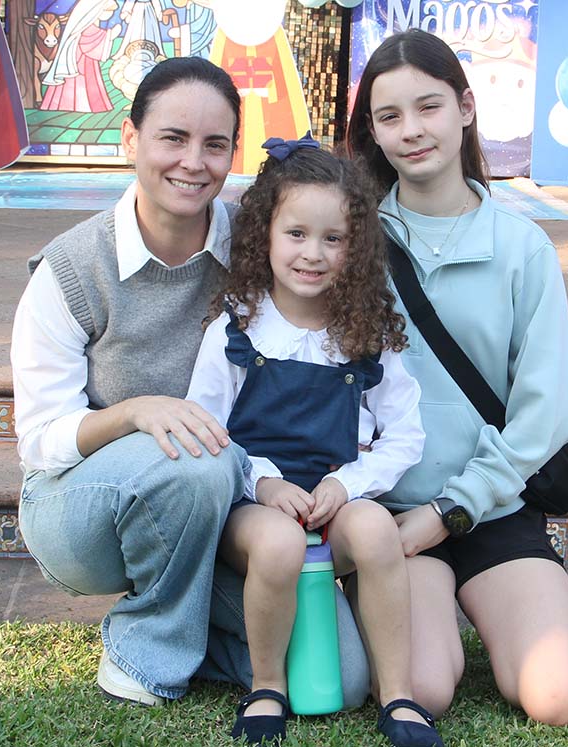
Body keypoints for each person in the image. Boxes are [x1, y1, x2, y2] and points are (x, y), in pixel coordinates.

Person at [13, 58, 371, 712]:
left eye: (214, 144)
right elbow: (40, 441)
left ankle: (203, 633)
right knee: (202, 454)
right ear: (130, 139)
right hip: (85, 510)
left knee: (341, 679)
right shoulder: (71, 269)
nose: (193, 162)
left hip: (225, 512)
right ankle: (143, 653)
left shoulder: (261, 245)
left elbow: (344, 261)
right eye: (172, 137)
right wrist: (135, 413)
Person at [345, 29, 568, 726]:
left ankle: (494, 608)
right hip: (391, 515)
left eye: (428, 107)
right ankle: (433, 620)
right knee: (422, 688)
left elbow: (544, 415)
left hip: (493, 507)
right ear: (372, 129)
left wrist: (451, 510)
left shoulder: (522, 246)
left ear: (464, 107)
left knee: (558, 697)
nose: (411, 131)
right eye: (389, 116)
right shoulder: (349, 241)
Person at [185, 135, 443, 747]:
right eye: (296, 234)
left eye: (334, 239)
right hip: (255, 508)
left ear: (355, 248)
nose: (313, 254)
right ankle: (266, 686)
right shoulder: (236, 328)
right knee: (278, 546)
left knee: (378, 530)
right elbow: (204, 428)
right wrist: (264, 480)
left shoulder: (367, 333)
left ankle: (400, 696)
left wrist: (346, 484)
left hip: (336, 500)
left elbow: (405, 435)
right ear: (265, 236)